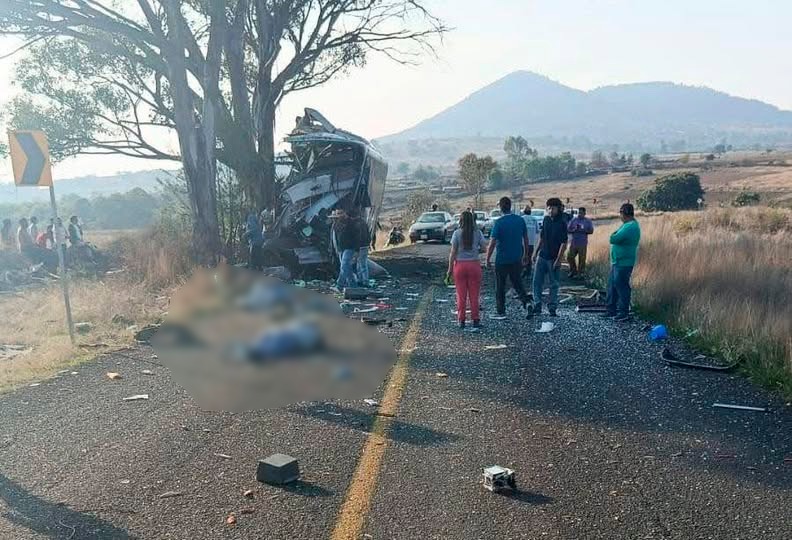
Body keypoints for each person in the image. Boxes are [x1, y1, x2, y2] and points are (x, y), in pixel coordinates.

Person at [486, 196, 530, 316]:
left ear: (500, 207)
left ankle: (501, 310)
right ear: (510, 206)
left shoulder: (499, 223)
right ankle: (527, 302)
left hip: (502, 259)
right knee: (517, 283)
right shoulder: (520, 220)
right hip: (516, 258)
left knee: (500, 285)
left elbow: (492, 242)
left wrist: (488, 258)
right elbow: (526, 239)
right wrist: (526, 254)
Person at [448, 210, 486, 328]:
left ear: (461, 220)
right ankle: (475, 320)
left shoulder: (457, 233)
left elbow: (453, 252)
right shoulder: (478, 233)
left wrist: (449, 269)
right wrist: (475, 251)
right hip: (474, 265)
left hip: (460, 266)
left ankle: (461, 320)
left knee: (461, 294)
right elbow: (484, 248)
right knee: (474, 295)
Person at [530, 198, 568, 317]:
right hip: (542, 255)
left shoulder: (562, 223)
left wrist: (559, 259)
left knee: (553, 284)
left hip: (553, 258)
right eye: (549, 208)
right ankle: (537, 304)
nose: (551, 210)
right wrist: (535, 252)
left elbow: (564, 243)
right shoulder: (546, 220)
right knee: (537, 282)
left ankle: (552, 307)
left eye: (553, 208)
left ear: (558, 209)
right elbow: (541, 237)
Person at [605, 203, 641, 322]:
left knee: (622, 287)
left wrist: (613, 234)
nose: (620, 216)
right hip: (617, 261)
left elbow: (613, 238)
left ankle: (623, 312)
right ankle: (611, 310)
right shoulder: (626, 225)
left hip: (624, 263)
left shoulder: (630, 227)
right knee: (612, 286)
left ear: (624, 214)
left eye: (620, 213)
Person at [332, 209, 358, 290]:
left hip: (350, 248)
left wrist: (357, 250)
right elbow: (335, 238)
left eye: (340, 214)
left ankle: (339, 285)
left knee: (344, 265)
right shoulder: (336, 224)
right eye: (337, 214)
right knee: (347, 267)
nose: (339, 216)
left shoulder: (351, 223)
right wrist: (336, 249)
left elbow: (357, 237)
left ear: (345, 213)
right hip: (341, 248)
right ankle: (353, 285)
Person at [566, 207, 594, 278]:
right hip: (574, 242)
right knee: (569, 257)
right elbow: (568, 230)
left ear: (584, 213)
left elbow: (591, 231)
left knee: (582, 259)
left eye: (581, 213)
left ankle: (580, 274)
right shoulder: (574, 220)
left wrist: (583, 230)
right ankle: (573, 271)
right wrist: (574, 229)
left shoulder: (588, 221)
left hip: (582, 243)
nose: (579, 214)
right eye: (579, 213)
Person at [352, 208, 371, 287]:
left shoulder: (356, 224)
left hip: (360, 246)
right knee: (361, 263)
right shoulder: (363, 222)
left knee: (361, 264)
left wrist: (356, 248)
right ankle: (362, 280)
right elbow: (368, 235)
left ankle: (364, 281)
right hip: (365, 246)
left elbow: (357, 237)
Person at [521, 205, 540, 280]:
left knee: (522, 257)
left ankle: (522, 271)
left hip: (522, 242)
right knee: (529, 256)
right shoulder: (534, 219)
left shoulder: (521, 219)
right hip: (531, 242)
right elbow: (537, 230)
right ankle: (528, 272)